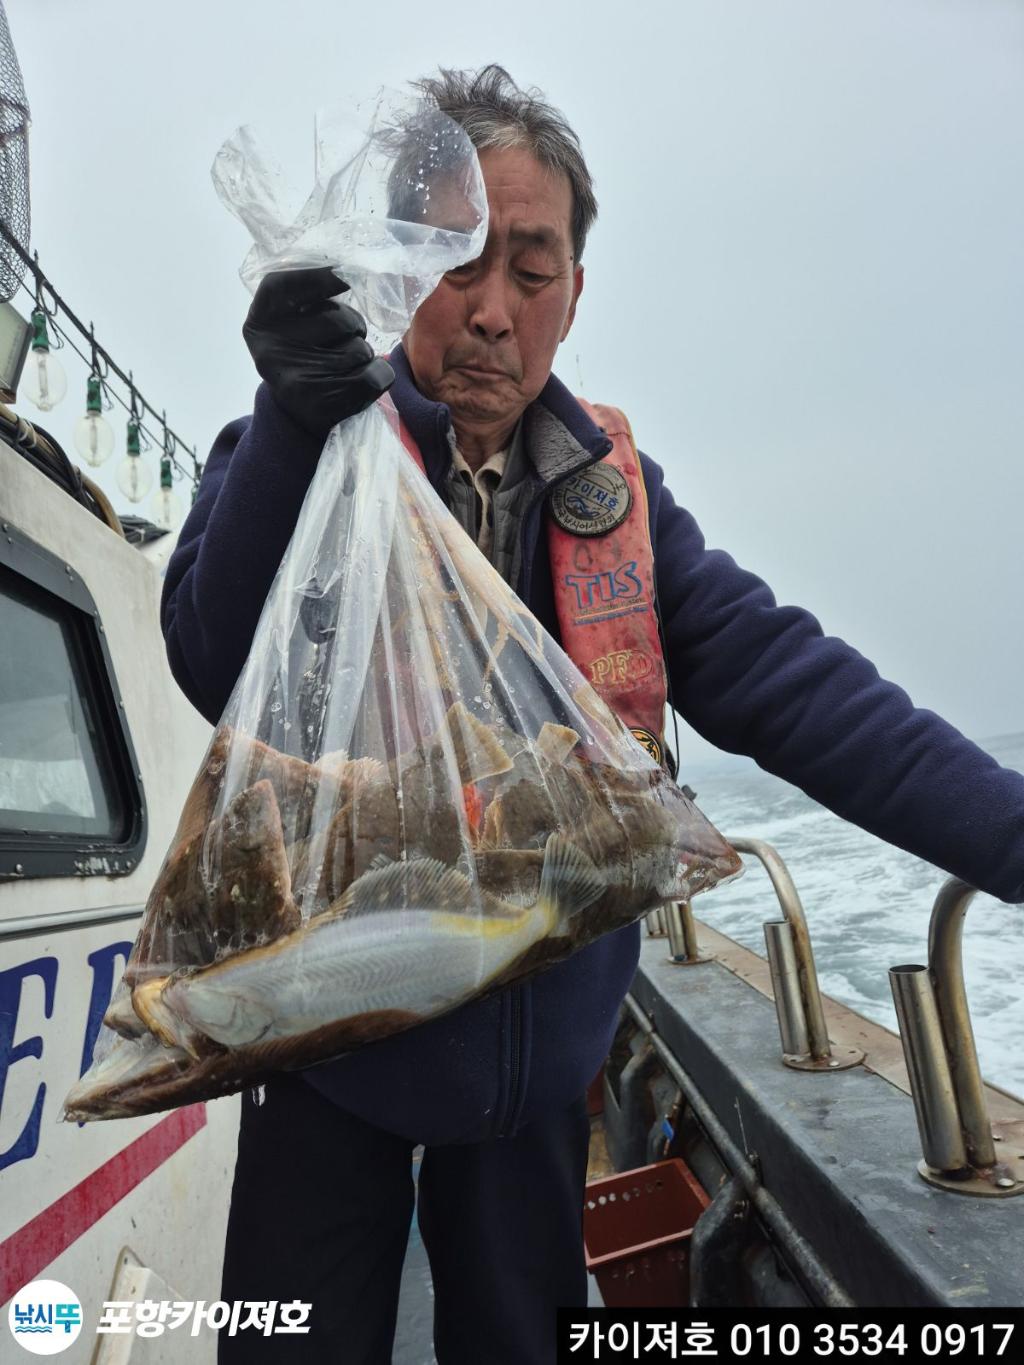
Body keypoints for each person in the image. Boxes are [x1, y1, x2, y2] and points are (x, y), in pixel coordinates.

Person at [162, 64, 1024, 1364]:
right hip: (326, 1058)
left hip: (535, 1073)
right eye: (458, 263)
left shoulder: (614, 499)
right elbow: (208, 651)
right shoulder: (312, 450)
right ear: (399, 270)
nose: (493, 313)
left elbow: (803, 691)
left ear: (577, 290)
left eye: (533, 267)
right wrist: (290, 419)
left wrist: (1010, 835)